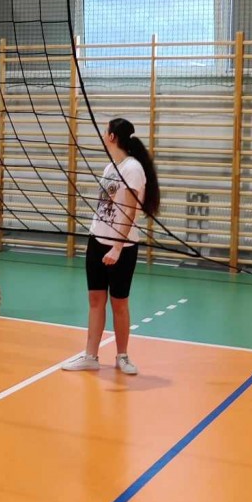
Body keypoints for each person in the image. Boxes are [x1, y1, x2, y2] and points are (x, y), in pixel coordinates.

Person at [62, 117, 160, 377]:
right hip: (97, 241)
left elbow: (129, 211)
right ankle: (91, 356)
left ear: (112, 137)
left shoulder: (132, 168)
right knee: (95, 300)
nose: (103, 134)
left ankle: (122, 356)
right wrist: (97, 238)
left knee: (119, 303)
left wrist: (117, 248)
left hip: (122, 247)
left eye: (106, 131)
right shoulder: (111, 167)